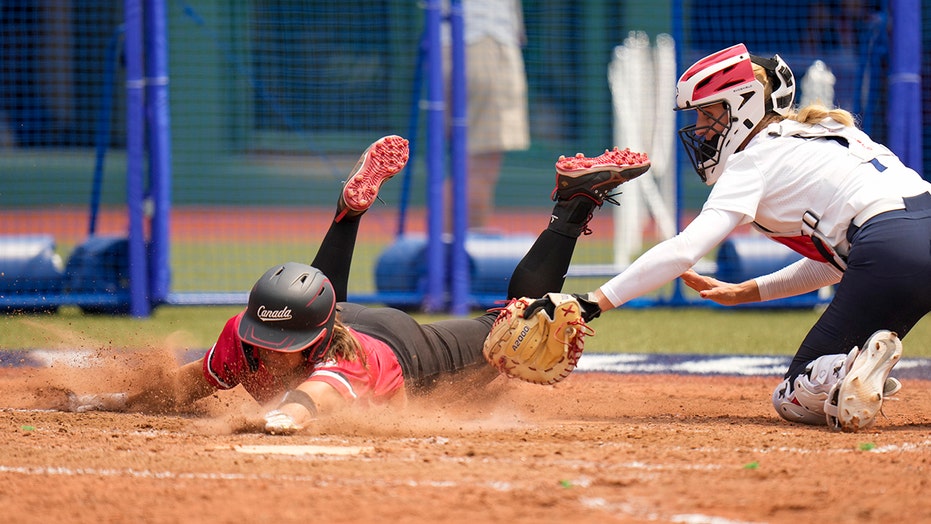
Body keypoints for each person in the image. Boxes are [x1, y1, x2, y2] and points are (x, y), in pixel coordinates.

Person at [72, 135, 650, 434]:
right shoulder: (247, 336)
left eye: (284, 350)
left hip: (409, 351)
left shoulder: (345, 362)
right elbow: (194, 380)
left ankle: (574, 206)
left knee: (511, 324)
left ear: (318, 343)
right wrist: (118, 400)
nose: (267, 359)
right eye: (264, 345)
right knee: (328, 298)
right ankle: (347, 215)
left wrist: (281, 418)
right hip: (340, 314)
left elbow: (309, 398)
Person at [557, 43, 931, 432]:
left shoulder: (752, 159)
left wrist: (591, 303)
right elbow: (842, 260)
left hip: (887, 248)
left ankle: (845, 368)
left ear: (743, 106)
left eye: (707, 113)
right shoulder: (827, 129)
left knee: (790, 395)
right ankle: (856, 367)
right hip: (900, 233)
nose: (700, 128)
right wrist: (745, 291)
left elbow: (686, 250)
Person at [444, 0, 531, 229]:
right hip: (482, 38)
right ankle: (460, 254)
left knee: (471, 162)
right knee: (478, 163)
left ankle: (447, 254)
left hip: (473, 38)